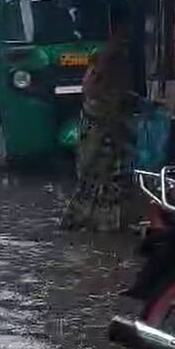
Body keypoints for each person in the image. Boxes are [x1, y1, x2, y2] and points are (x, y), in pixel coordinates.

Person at [60, 15, 137, 233]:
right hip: (102, 132)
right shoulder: (108, 63)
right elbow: (97, 94)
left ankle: (91, 225)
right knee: (101, 180)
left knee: (97, 181)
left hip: (100, 131)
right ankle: (100, 226)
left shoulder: (103, 61)